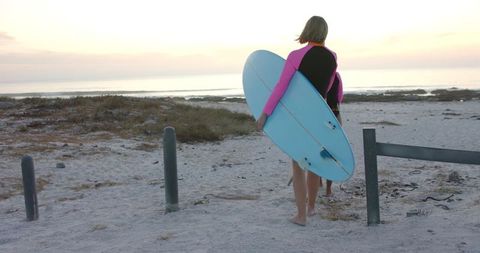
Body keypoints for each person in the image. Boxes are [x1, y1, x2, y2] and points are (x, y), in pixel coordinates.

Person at [256, 16, 343, 226]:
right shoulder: (332, 57)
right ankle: (312, 207)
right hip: (320, 115)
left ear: (307, 30)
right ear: (324, 33)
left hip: (300, 116)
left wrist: (265, 113)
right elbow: (332, 88)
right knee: (314, 163)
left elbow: (281, 86)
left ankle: (301, 216)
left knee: (298, 164)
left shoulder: (296, 55)